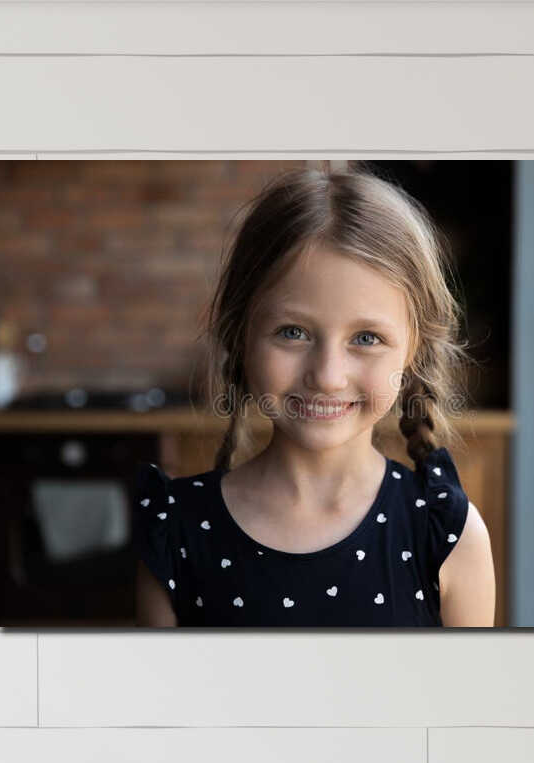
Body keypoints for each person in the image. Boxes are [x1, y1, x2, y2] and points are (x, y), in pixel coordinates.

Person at [135, 167, 496, 627]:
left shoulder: (448, 535)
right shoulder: (173, 534)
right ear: (239, 335)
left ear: (415, 351)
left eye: (366, 338)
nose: (327, 376)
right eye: (293, 332)